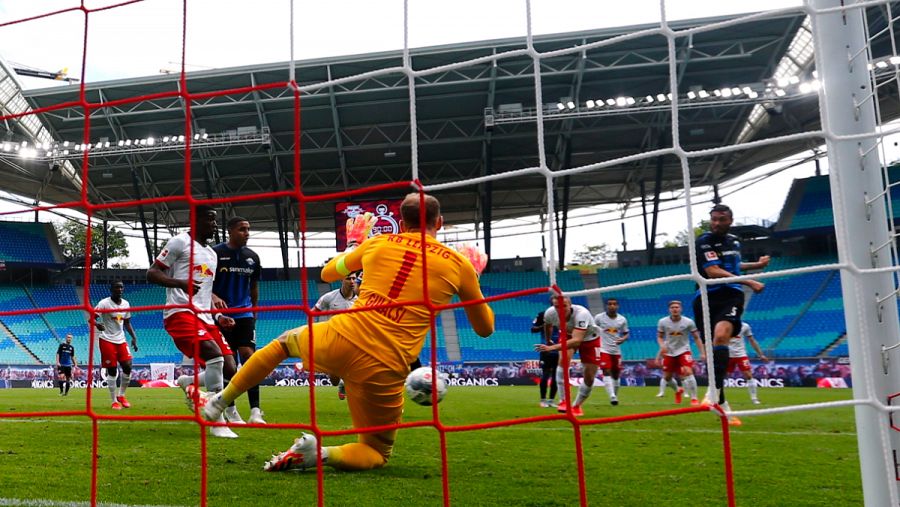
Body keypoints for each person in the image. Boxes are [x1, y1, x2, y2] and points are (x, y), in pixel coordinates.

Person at [202, 192, 494, 471]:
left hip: (342, 336)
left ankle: (220, 401)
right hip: (386, 365)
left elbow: (328, 274)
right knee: (376, 452)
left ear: (402, 224)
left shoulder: (379, 243)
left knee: (282, 344)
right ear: (439, 223)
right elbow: (484, 329)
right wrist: (473, 278)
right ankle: (321, 453)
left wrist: (355, 245)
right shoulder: (458, 264)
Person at [147, 204, 239, 439]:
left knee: (231, 369)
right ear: (195, 220)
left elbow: (205, 293)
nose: (215, 224)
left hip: (205, 316)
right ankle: (217, 421)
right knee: (213, 354)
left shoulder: (212, 254)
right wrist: (180, 284)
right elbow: (153, 273)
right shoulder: (179, 242)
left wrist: (218, 316)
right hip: (180, 312)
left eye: (216, 220)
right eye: (210, 219)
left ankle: (188, 381)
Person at [693, 203, 767, 420]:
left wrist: (756, 265)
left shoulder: (734, 241)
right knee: (713, 354)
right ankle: (723, 404)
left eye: (721, 219)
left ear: (730, 220)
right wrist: (750, 282)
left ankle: (712, 393)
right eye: (713, 219)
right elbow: (713, 271)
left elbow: (733, 265)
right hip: (706, 296)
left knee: (721, 336)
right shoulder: (704, 241)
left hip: (731, 294)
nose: (716, 223)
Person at [211, 216, 265, 424]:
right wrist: (214, 298)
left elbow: (254, 287)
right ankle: (231, 410)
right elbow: (205, 283)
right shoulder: (216, 254)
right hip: (221, 315)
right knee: (229, 364)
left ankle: (256, 411)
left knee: (250, 358)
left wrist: (255, 311)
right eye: (242, 229)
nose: (247, 233)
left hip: (244, 314)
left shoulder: (253, 257)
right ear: (230, 231)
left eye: (248, 229)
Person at [534, 294, 600, 416]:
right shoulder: (550, 313)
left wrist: (551, 347)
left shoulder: (582, 313)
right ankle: (564, 401)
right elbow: (547, 325)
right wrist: (548, 340)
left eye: (564, 306)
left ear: (570, 305)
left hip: (590, 339)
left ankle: (577, 406)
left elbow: (577, 340)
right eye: (557, 306)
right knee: (563, 360)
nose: (560, 309)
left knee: (590, 377)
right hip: (567, 334)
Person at [313, 271, 360, 400]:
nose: (352, 281)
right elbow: (313, 312)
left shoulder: (360, 300)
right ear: (342, 280)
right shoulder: (329, 297)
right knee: (333, 380)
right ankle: (341, 383)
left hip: (353, 340)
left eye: (354, 279)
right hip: (333, 339)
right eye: (348, 278)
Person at [93, 281, 139, 410]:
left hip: (121, 339)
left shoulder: (126, 304)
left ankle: (122, 395)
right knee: (112, 370)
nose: (119, 289)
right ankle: (114, 401)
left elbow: (127, 323)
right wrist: (96, 324)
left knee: (128, 366)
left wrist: (134, 337)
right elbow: (92, 317)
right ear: (111, 289)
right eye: (117, 287)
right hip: (107, 340)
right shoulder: (104, 303)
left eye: (121, 287)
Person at [656, 300, 705, 405]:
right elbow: (660, 337)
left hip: (684, 350)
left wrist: (702, 352)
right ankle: (678, 390)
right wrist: (662, 346)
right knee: (667, 377)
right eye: (672, 307)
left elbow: (696, 337)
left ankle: (694, 398)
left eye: (677, 307)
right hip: (669, 352)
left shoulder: (688, 322)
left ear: (681, 309)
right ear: (669, 309)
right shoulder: (662, 322)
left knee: (688, 371)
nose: (675, 309)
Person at [594, 298, 629, 406]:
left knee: (616, 375)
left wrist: (623, 339)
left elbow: (626, 333)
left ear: (617, 306)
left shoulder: (622, 319)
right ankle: (612, 396)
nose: (612, 306)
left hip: (616, 350)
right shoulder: (599, 318)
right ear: (606, 306)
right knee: (606, 371)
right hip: (603, 349)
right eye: (610, 304)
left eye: (614, 304)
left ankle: (615, 395)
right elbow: (592, 329)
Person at [729, 322, 767, 407]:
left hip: (741, 354)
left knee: (748, 375)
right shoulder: (725, 324)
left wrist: (761, 354)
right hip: (726, 354)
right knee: (721, 376)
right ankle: (715, 397)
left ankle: (754, 398)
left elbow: (752, 340)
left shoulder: (745, 326)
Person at [531, 310, 558, 408]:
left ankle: (551, 400)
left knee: (557, 376)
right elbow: (533, 329)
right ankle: (543, 400)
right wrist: (545, 326)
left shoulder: (566, 314)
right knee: (545, 374)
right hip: (546, 349)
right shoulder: (543, 314)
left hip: (560, 349)